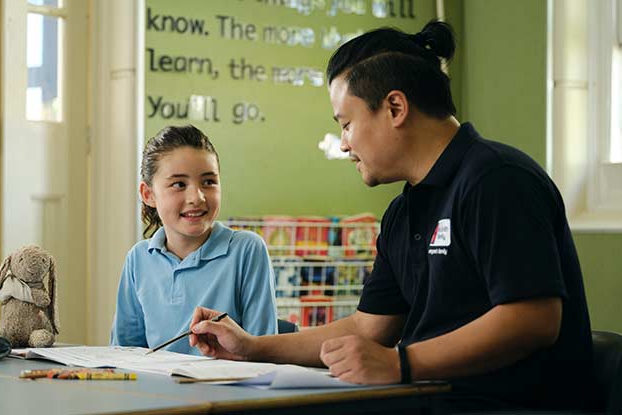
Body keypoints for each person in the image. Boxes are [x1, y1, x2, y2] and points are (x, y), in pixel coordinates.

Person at [189, 20, 595, 411]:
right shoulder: (404, 211)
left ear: (395, 107)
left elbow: (533, 319)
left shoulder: (497, 180)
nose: (345, 144)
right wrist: (253, 347)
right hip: (428, 403)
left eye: (346, 124)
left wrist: (401, 364)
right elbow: (368, 328)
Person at [110, 125, 278, 355]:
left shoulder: (247, 250)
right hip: (156, 390)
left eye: (208, 182)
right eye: (179, 184)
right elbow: (125, 352)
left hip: (229, 389)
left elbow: (264, 350)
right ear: (148, 195)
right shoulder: (138, 259)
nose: (196, 197)